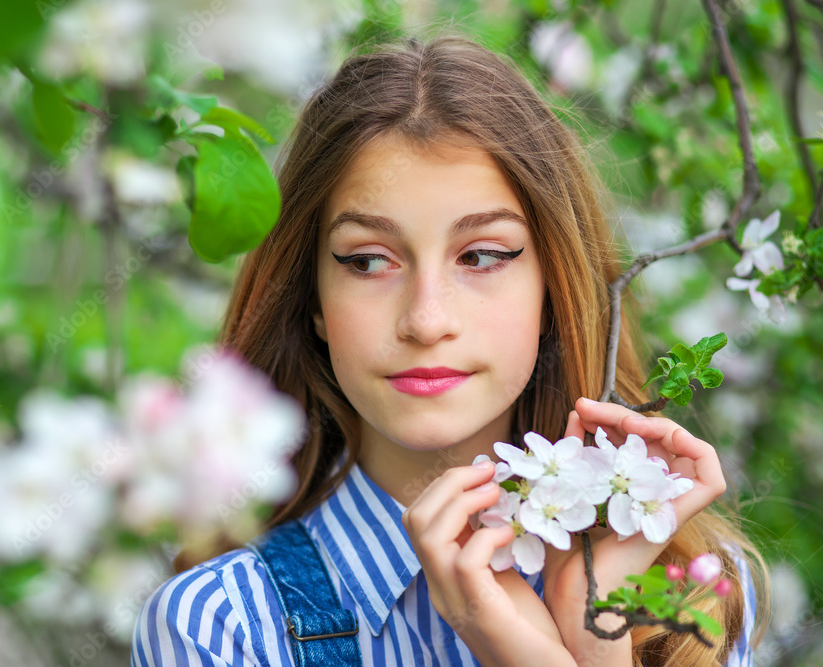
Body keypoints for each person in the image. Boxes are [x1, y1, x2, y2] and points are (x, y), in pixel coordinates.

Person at [131, 33, 768, 666]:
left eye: (483, 256)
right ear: (315, 303)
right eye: (368, 261)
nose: (426, 320)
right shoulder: (221, 625)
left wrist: (591, 646)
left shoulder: (690, 590)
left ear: (552, 289)